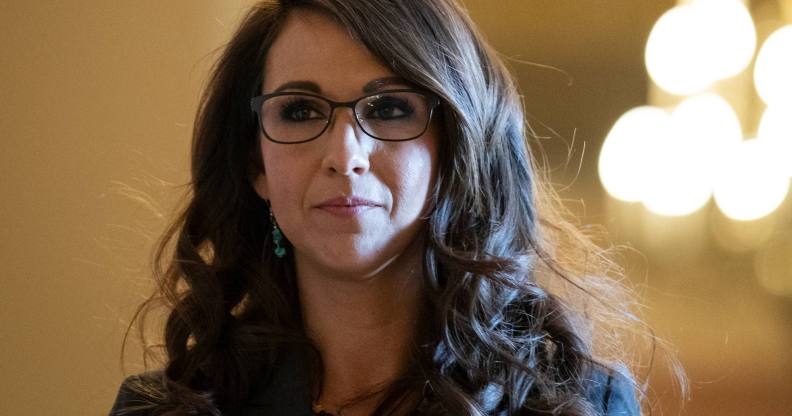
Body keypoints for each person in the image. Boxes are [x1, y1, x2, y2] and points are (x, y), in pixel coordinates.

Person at [110, 0, 662, 415]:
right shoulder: (163, 409)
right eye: (300, 111)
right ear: (256, 165)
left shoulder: (575, 404)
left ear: (455, 150)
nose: (345, 156)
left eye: (390, 108)